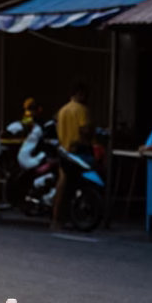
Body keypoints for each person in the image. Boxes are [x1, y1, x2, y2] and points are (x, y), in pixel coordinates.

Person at [52, 81, 91, 229]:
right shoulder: (82, 110)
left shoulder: (62, 110)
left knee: (62, 184)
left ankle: (56, 218)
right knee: (71, 184)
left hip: (63, 150)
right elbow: (85, 130)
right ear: (80, 94)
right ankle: (63, 217)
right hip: (77, 152)